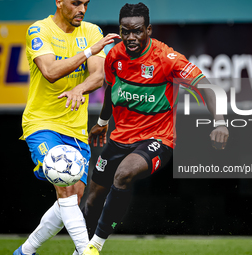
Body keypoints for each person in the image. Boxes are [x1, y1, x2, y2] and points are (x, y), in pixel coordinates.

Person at [81, 3, 229, 255]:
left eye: (136, 31)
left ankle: (96, 245)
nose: (130, 37)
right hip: (119, 139)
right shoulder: (114, 56)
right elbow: (110, 91)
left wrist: (220, 122)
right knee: (91, 201)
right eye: (125, 31)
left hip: (158, 139)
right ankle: (82, 248)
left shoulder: (167, 59)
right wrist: (103, 123)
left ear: (148, 29)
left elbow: (207, 87)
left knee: (123, 174)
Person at [13, 0, 119, 254]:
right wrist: (88, 52)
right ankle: (85, 251)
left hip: (76, 129)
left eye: (86, 3)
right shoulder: (39, 30)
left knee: (72, 198)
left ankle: (25, 252)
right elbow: (49, 71)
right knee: (66, 188)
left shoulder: (91, 32)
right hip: (42, 123)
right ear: (59, 2)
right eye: (75, 3)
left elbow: (98, 75)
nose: (82, 9)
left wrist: (80, 87)